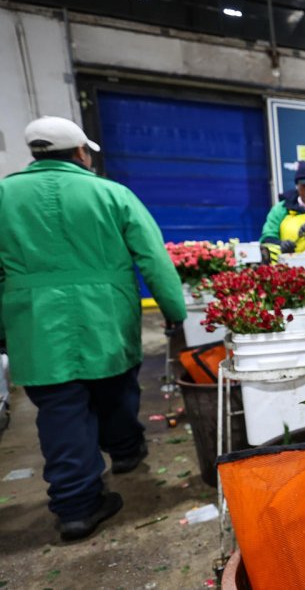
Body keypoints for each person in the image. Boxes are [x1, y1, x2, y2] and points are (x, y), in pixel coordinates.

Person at [0, 117, 187, 541]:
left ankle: (76, 508)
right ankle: (124, 452)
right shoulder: (111, 193)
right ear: (82, 153)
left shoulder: (4, 196)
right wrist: (175, 311)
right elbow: (152, 257)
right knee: (117, 392)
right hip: (105, 320)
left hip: (36, 326)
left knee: (60, 412)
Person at [260, 160, 305, 259]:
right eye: (304, 185)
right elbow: (267, 237)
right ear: (297, 185)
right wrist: (280, 244)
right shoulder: (281, 209)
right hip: (287, 268)